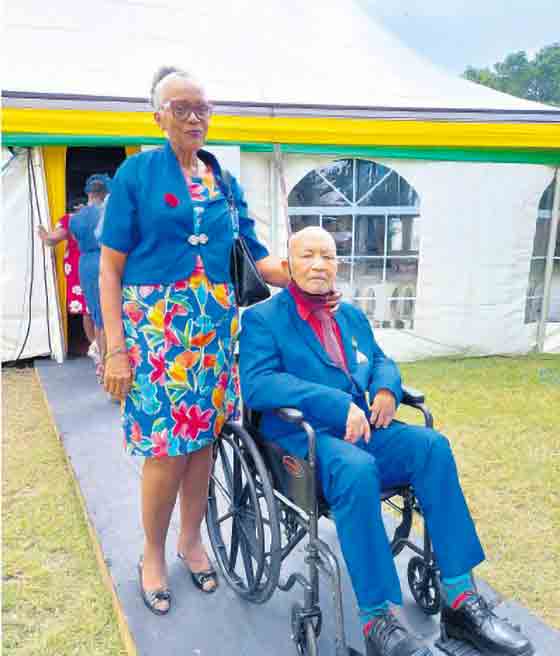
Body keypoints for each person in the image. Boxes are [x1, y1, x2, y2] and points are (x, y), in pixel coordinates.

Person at [239, 226, 534, 656]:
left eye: (327, 256)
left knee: (433, 447)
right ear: (287, 267)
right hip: (305, 440)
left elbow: (380, 360)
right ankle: (378, 622)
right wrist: (335, 405)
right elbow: (259, 384)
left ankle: (459, 601)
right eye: (307, 256)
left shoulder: (350, 316)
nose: (319, 264)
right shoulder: (263, 319)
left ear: (337, 265)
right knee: (357, 470)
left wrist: (385, 390)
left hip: (364, 430)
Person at [99, 66, 289, 615]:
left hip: (213, 331)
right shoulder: (135, 175)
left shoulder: (222, 178)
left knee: (203, 443)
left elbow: (256, 254)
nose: (194, 117)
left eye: (201, 107)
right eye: (180, 107)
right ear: (157, 116)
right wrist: (115, 347)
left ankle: (191, 540)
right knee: (165, 450)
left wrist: (305, 272)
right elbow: (110, 270)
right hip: (157, 331)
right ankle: (153, 554)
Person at [38, 207, 98, 360]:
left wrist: (43, 234)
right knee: (97, 306)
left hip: (80, 264)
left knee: (88, 309)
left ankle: (95, 344)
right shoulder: (102, 213)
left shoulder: (69, 219)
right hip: (101, 262)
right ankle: (99, 343)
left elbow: (52, 240)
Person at [69, 174, 111, 381]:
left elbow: (76, 240)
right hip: (106, 260)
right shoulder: (110, 212)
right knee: (110, 314)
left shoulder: (75, 218)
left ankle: (101, 363)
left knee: (97, 315)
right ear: (105, 193)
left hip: (85, 263)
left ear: (88, 193)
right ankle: (108, 365)